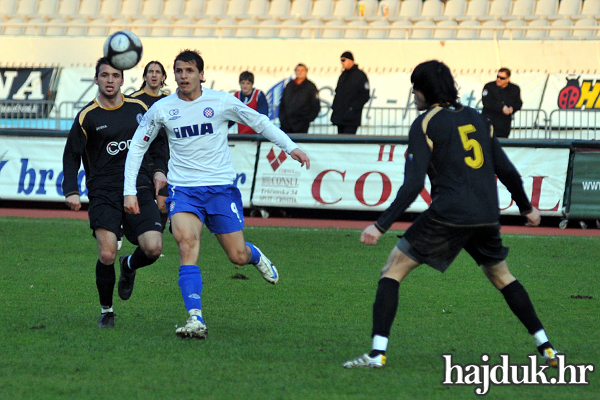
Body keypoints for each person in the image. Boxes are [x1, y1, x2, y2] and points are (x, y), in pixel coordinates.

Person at [343, 60, 557, 369]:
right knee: (502, 276)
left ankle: (376, 354)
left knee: (392, 270)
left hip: (447, 215)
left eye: (415, 87)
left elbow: (414, 184)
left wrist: (380, 225)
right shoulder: (478, 118)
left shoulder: (425, 123)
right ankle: (546, 348)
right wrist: (525, 206)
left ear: (425, 90)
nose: (413, 93)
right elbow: (506, 168)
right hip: (486, 215)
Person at [123, 49, 311, 339]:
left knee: (237, 255)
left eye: (189, 70)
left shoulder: (220, 101)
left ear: (201, 74)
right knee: (187, 245)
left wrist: (291, 147)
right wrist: (129, 191)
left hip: (220, 189)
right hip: (184, 190)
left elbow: (259, 121)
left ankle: (255, 255)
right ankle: (195, 318)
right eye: (179, 71)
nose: (183, 76)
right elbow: (137, 146)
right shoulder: (162, 108)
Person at [62, 57, 168, 329]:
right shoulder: (88, 116)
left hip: (139, 187)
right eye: (104, 75)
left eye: (115, 75)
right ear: (96, 80)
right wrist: (71, 190)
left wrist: (159, 171)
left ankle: (130, 264)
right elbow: (72, 155)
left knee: (153, 248)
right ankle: (107, 311)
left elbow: (159, 143)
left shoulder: (140, 108)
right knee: (106, 254)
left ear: (123, 80)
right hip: (104, 193)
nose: (110, 80)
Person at [130, 61, 170, 232]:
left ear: (163, 77)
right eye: (150, 72)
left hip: (163, 158)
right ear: (144, 76)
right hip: (142, 159)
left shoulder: (169, 101)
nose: (154, 75)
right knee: (141, 200)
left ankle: (156, 238)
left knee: (162, 204)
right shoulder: (133, 100)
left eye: (158, 72)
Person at [330, 51, 370, 135]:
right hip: (340, 117)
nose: (341, 63)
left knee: (348, 142)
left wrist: (352, 109)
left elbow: (365, 95)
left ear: (350, 60)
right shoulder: (343, 75)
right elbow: (338, 94)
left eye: (343, 60)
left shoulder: (360, 76)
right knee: (340, 143)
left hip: (351, 118)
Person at [278, 63, 320, 134]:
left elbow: (315, 105)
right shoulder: (289, 85)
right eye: (298, 70)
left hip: (301, 124)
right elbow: (282, 103)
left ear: (306, 72)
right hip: (286, 124)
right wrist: (282, 117)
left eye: (302, 70)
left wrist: (307, 119)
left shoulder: (311, 87)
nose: (300, 72)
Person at [481, 68, 522, 138]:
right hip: (489, 121)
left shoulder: (514, 89)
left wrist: (512, 108)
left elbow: (518, 103)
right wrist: (501, 107)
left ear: (507, 79)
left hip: (504, 124)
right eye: (497, 77)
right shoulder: (489, 87)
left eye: (502, 78)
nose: (498, 79)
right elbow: (487, 102)